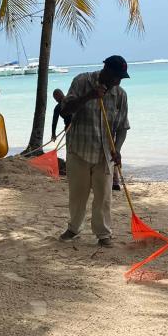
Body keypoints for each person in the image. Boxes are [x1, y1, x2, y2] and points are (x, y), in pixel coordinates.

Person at [58, 55, 130, 248]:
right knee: (78, 194)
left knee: (104, 196)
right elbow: (65, 110)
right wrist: (89, 95)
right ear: (106, 70)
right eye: (116, 77)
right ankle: (73, 228)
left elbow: (122, 127)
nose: (118, 81)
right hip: (79, 149)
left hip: (105, 153)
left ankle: (103, 234)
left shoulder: (120, 95)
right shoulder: (81, 81)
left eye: (121, 78)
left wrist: (118, 149)